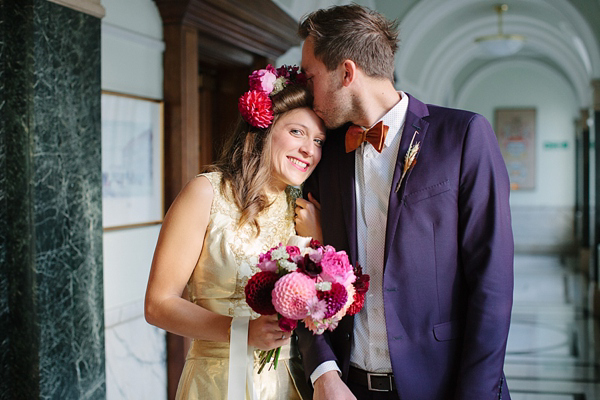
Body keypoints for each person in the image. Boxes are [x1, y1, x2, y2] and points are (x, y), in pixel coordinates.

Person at [294, 4, 514, 400]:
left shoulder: (463, 136)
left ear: (346, 73)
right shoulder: (326, 156)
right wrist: (323, 372)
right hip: (347, 387)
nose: (308, 94)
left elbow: (492, 283)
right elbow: (303, 273)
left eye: (311, 78)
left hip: (443, 386)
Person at [144, 65, 325, 400]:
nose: (308, 150)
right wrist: (243, 331)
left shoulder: (306, 210)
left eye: (318, 141)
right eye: (297, 132)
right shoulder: (206, 193)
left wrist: (316, 242)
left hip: (290, 384)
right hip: (217, 383)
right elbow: (158, 304)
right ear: (265, 128)